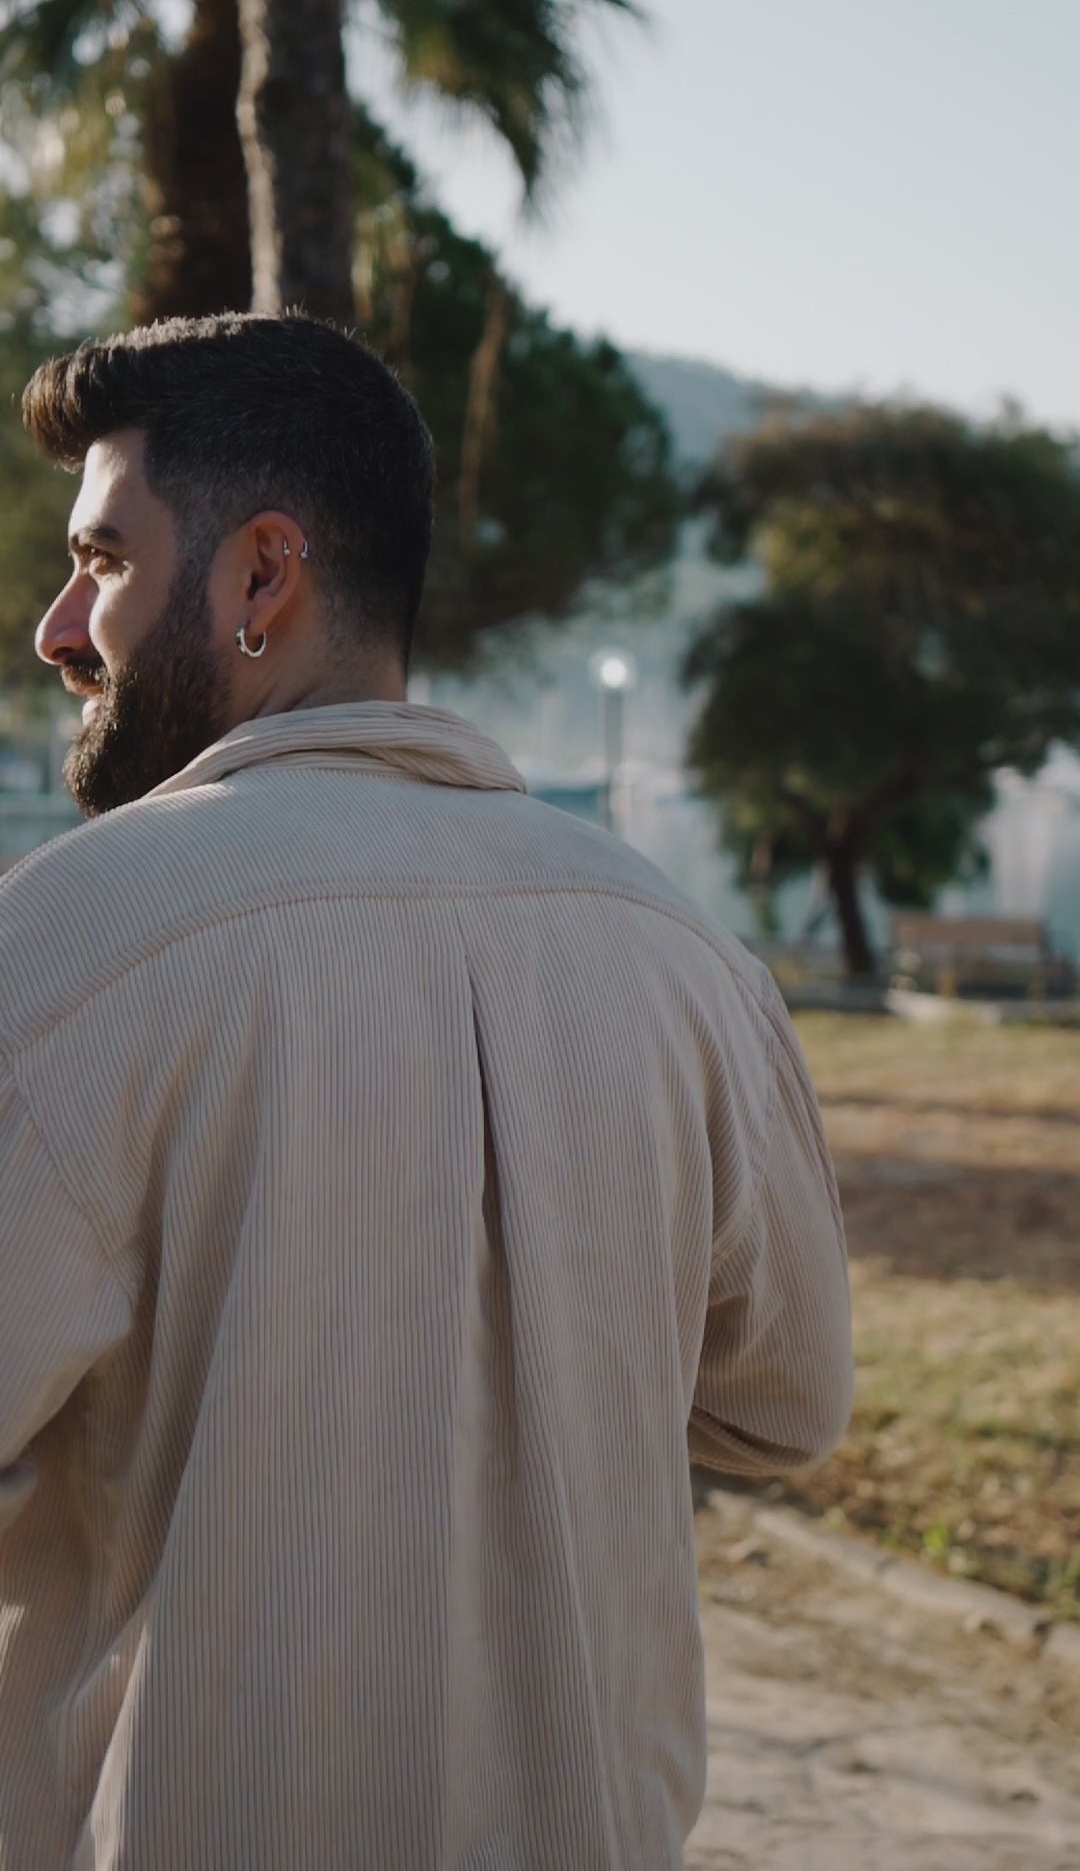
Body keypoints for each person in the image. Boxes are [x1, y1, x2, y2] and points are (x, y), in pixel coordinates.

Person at [0, 312, 852, 1871]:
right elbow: (785, 1405)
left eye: (103, 560)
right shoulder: (681, 951)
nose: (61, 627)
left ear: (263, 576)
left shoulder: (71, 936)